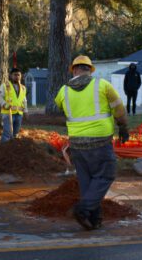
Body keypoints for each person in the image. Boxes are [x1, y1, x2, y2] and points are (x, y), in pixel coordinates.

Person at [55, 55, 131, 231]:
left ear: (74, 70)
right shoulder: (102, 85)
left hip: (77, 145)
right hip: (100, 142)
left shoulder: (63, 91)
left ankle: (93, 219)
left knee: (87, 181)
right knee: (106, 175)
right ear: (90, 70)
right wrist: (123, 127)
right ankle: (83, 209)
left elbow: (60, 108)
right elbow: (119, 108)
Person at [0, 67, 27, 142]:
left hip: (19, 114)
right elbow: (0, 96)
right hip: (8, 113)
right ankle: (4, 148)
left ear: (21, 76)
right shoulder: (5, 86)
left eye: (18, 75)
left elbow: (24, 100)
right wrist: (4, 104)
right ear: (11, 75)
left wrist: (26, 111)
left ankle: (13, 149)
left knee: (15, 134)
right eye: (15, 75)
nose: (17, 76)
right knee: (7, 133)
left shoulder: (23, 88)